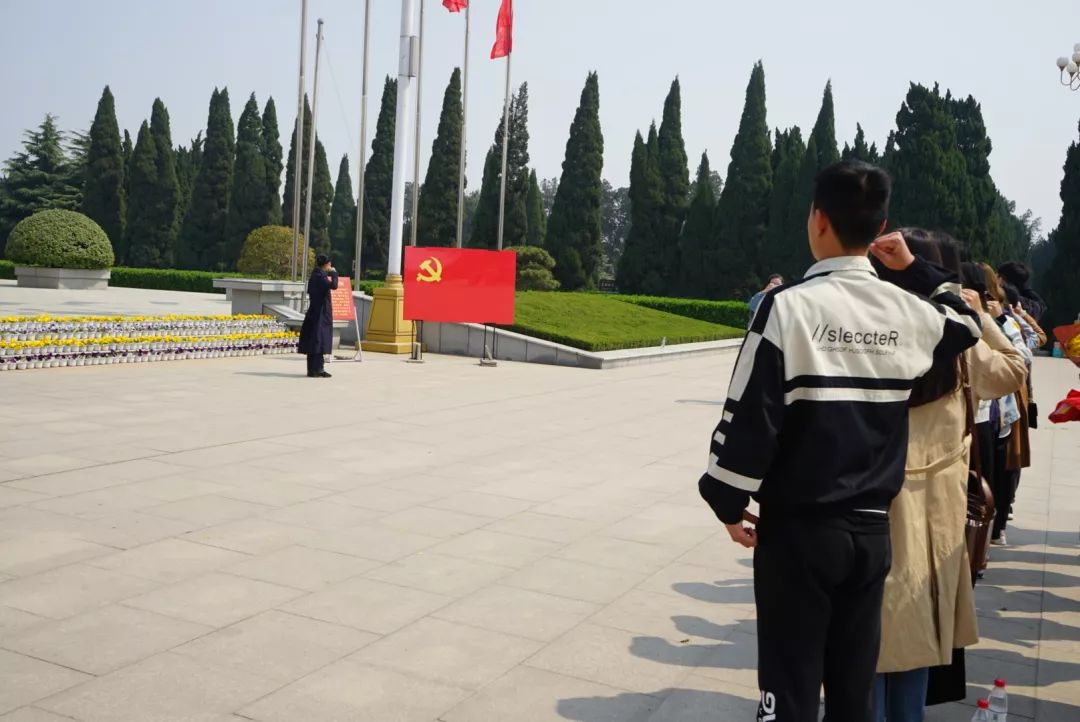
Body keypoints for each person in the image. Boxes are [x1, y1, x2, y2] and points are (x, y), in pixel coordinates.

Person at [697, 160, 982, 722]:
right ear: (880, 230)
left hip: (800, 532)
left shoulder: (788, 307)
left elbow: (750, 417)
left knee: (791, 690)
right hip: (873, 533)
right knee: (854, 692)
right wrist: (916, 268)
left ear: (818, 219)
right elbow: (966, 321)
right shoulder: (907, 311)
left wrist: (726, 501)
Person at [872, 231, 1026, 721]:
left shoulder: (874, 327)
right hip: (935, 520)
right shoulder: (961, 341)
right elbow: (1014, 368)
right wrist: (979, 315)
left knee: (870, 643)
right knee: (917, 643)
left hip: (871, 508)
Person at [297, 254, 338, 378]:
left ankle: (316, 369)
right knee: (318, 340)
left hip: (315, 311)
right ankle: (316, 370)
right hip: (320, 312)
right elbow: (334, 285)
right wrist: (334, 273)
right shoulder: (320, 276)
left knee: (316, 340)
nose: (331, 266)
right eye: (329, 264)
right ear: (326, 264)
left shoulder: (316, 275)